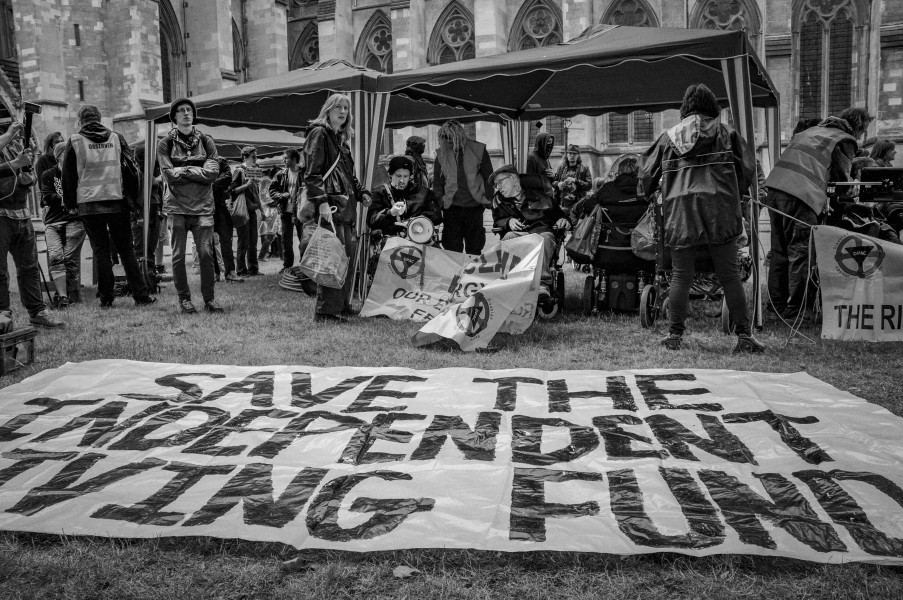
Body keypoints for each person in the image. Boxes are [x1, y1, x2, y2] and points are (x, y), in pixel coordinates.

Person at [640, 83, 763, 353]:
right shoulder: (726, 134)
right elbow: (748, 172)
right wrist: (735, 193)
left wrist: (649, 191)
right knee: (730, 276)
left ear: (685, 108)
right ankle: (744, 336)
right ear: (712, 108)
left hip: (681, 213)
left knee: (681, 276)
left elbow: (646, 177)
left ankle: (674, 336)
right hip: (719, 210)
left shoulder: (669, 137)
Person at [764, 106, 870, 321]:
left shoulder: (808, 132)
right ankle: (795, 312)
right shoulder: (844, 139)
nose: (862, 136)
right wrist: (856, 187)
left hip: (775, 190)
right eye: (864, 131)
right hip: (802, 195)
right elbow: (843, 182)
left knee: (779, 252)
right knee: (800, 253)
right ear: (859, 126)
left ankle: (775, 308)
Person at [62, 105, 156, 310]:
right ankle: (141, 295)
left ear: (80, 121)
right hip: (117, 200)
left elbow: (68, 176)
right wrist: (133, 200)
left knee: (101, 251)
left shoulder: (75, 141)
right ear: (99, 119)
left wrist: (70, 204)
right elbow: (131, 170)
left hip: (89, 204)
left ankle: (106, 297)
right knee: (126, 250)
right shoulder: (115, 137)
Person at [302, 92, 372, 323]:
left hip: (345, 207)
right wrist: (322, 202)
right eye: (338, 107)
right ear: (328, 109)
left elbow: (349, 177)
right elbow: (311, 175)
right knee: (332, 260)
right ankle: (325, 311)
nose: (343, 112)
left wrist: (362, 194)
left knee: (345, 259)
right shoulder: (319, 133)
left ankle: (341, 305)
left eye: (346, 108)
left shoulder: (340, 139)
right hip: (331, 206)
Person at [156, 97, 223, 313]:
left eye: (189, 110)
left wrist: (183, 169)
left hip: (203, 206)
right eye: (181, 110)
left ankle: (209, 299)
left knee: (206, 254)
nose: (186, 113)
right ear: (174, 116)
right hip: (176, 206)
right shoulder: (165, 144)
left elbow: (212, 173)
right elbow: (168, 176)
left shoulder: (207, 141)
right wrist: (198, 170)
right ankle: (184, 300)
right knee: (177, 256)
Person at [0, 122, 63, 331]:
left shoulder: (15, 145)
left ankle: (37, 311)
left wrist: (27, 179)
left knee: (29, 267)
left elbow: (30, 174)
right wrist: (15, 161)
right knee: (0, 271)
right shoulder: (7, 140)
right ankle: (3, 315)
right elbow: (15, 165)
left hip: (21, 213)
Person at [489, 164, 570, 301]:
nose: (498, 187)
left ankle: (542, 284)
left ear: (513, 179)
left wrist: (563, 220)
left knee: (545, 237)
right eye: (496, 185)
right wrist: (508, 221)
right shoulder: (498, 201)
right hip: (518, 236)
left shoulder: (541, 196)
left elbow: (560, 215)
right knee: (509, 237)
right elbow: (497, 221)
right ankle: (511, 282)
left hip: (541, 233)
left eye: (500, 182)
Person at [432, 120, 492, 255]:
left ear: (460, 136)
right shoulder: (441, 154)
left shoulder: (479, 149)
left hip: (475, 207)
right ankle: (455, 275)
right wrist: (440, 201)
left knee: (474, 247)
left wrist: (487, 199)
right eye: (446, 139)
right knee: (452, 249)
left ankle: (472, 274)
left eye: (452, 139)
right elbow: (437, 182)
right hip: (451, 208)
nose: (449, 143)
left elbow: (489, 177)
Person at [40, 141, 86, 307]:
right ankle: (64, 296)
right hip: (53, 222)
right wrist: (71, 200)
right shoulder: (49, 175)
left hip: (75, 222)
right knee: (56, 257)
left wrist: (64, 200)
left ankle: (69, 296)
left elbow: (84, 196)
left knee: (68, 259)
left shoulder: (80, 174)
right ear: (59, 156)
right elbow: (48, 197)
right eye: (67, 154)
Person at [269, 148, 314, 292]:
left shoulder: (304, 172)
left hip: (302, 212)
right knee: (285, 240)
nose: (284, 161)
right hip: (286, 212)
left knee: (304, 239)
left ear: (294, 159)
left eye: (286, 158)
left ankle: (303, 265)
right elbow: (272, 191)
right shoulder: (280, 174)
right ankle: (287, 266)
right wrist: (283, 195)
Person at [368, 155, 442, 238]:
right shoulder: (379, 193)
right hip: (389, 243)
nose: (402, 180)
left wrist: (416, 220)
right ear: (390, 175)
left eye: (405, 176)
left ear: (410, 176)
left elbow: (437, 216)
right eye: (398, 176)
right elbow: (371, 220)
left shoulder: (423, 192)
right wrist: (390, 212)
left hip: (418, 242)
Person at [130, 140, 163, 291]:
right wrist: (138, 215)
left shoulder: (151, 172)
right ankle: (142, 282)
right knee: (141, 248)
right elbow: (132, 196)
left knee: (150, 248)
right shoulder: (136, 173)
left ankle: (150, 279)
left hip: (154, 211)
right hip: (142, 213)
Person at [231, 145, 263, 277]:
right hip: (243, 210)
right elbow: (232, 191)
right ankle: (241, 270)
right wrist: (246, 185)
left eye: (256, 156)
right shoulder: (239, 171)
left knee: (253, 241)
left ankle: (254, 268)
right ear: (245, 157)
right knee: (243, 241)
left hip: (253, 209)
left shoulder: (256, 170)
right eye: (253, 156)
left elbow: (257, 193)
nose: (255, 159)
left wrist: (261, 209)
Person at [212, 156, 243, 283]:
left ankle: (230, 271)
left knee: (226, 239)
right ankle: (214, 272)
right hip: (204, 208)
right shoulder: (198, 161)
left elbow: (227, 178)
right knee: (207, 243)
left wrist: (209, 183)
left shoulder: (221, 161)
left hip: (219, 206)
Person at [554, 144, 592, 213]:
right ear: (567, 155)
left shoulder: (584, 168)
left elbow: (589, 185)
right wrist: (558, 184)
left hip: (578, 204)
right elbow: (553, 181)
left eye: (574, 154)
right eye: (570, 153)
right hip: (562, 204)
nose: (572, 155)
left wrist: (575, 181)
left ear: (578, 155)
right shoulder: (561, 168)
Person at [34, 131, 63, 205]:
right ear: (50, 145)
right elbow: (42, 185)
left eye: (61, 141)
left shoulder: (65, 159)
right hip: (51, 203)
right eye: (56, 142)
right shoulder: (43, 160)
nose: (60, 143)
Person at [526, 130, 556, 201]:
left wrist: (553, 175)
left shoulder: (545, 157)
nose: (550, 145)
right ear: (541, 142)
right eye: (548, 142)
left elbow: (550, 177)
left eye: (551, 142)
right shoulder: (531, 158)